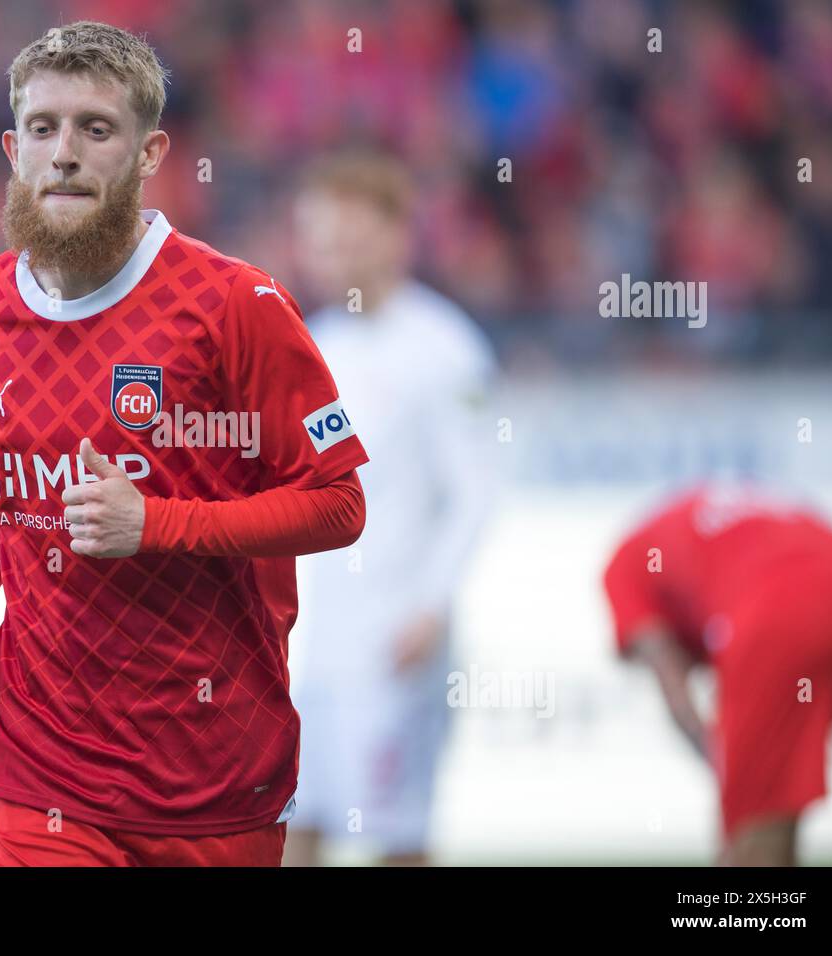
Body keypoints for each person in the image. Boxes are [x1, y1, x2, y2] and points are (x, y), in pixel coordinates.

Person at [0, 21, 369, 867]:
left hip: (213, 767)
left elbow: (338, 504)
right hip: (38, 766)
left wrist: (157, 524)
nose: (64, 153)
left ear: (150, 154)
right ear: (13, 147)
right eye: (43, 129)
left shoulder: (235, 305)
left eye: (95, 129)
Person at [283, 150, 497, 866]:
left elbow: (473, 494)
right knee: (289, 829)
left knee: (397, 841)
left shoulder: (444, 348)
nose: (329, 254)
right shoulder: (310, 342)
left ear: (396, 235)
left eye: (346, 235)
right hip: (317, 640)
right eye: (319, 238)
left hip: (397, 638)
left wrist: (430, 606)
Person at [603, 483, 832, 866]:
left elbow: (677, 693)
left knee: (753, 845)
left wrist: (730, 771)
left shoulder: (623, 566)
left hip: (779, 616)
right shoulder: (743, 515)